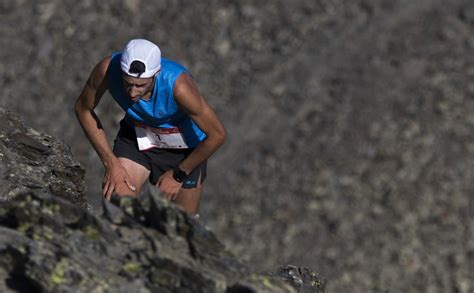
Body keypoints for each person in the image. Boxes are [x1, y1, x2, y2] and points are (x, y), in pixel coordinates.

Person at [75, 39, 226, 216]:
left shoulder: (179, 87)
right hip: (138, 141)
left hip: (185, 151)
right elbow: (83, 109)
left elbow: (217, 135)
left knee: (181, 226)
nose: (132, 92)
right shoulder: (107, 70)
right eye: (127, 83)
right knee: (118, 206)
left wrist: (178, 175)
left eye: (140, 85)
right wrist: (111, 163)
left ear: (156, 74)